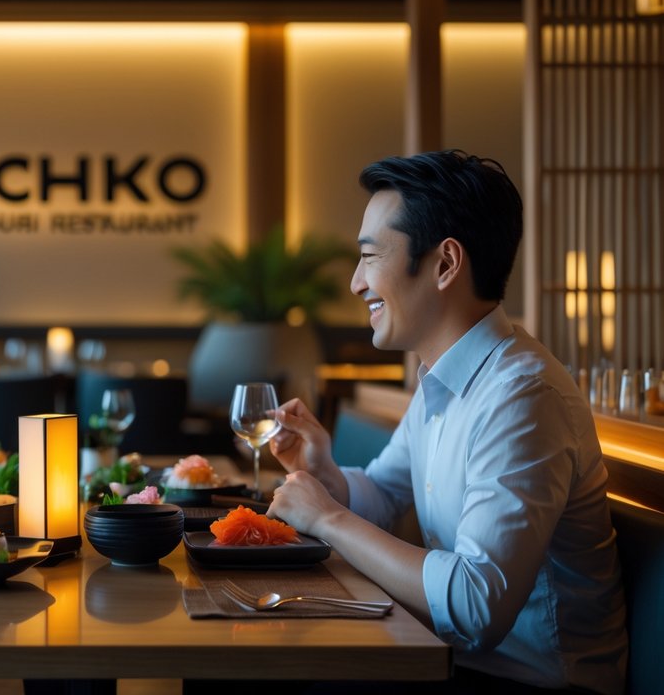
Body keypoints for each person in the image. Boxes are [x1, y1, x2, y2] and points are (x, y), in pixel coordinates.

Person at [266, 151, 627, 693]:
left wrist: (327, 519)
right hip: (448, 661)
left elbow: (476, 606)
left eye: (369, 258)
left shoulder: (522, 397)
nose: (356, 284)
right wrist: (326, 476)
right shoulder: (443, 374)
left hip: (533, 682)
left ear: (445, 264)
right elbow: (385, 496)